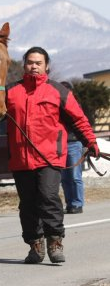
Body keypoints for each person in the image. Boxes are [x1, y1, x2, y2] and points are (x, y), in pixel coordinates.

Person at [6, 47, 99, 264]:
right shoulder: (9, 92)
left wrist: (91, 141)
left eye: (38, 62)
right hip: (20, 158)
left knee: (48, 198)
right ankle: (35, 245)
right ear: (24, 65)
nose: (34, 66)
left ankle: (55, 242)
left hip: (49, 157)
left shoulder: (59, 91)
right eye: (30, 62)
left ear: (46, 65)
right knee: (27, 204)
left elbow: (78, 119)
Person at [60, 81, 84, 214]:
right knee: (65, 177)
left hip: (74, 143)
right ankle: (70, 204)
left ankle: (77, 203)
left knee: (75, 176)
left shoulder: (75, 106)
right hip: (61, 144)